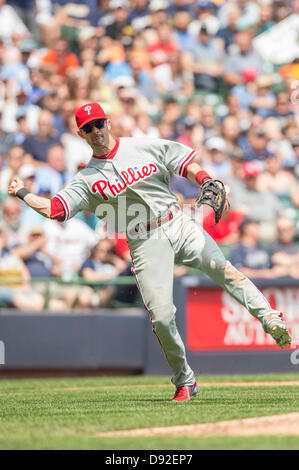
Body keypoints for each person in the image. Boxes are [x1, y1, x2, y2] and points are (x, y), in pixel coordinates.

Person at [8, 102, 291, 402]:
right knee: (162, 317)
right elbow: (55, 209)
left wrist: (205, 179)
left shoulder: (141, 145)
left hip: (177, 221)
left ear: (109, 123)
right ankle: (185, 379)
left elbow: (183, 161)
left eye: (99, 123)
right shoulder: (87, 178)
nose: (96, 131)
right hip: (143, 242)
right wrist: (23, 193)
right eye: (89, 128)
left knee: (225, 270)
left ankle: (271, 319)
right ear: (81, 134)